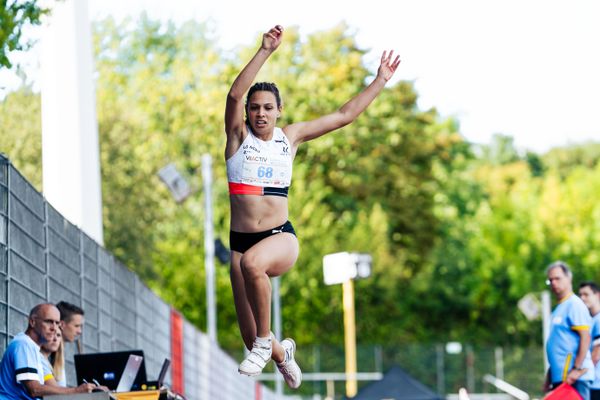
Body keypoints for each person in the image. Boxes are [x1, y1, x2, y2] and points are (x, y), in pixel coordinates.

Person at [224, 24, 400, 388]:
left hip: (278, 238)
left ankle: (263, 343)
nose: (260, 114)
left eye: (268, 108)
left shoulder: (290, 138)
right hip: (239, 243)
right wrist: (264, 51)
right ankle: (280, 352)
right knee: (251, 333)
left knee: (256, 270)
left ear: (279, 110)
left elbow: (343, 115)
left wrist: (379, 80)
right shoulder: (238, 138)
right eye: (254, 108)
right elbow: (233, 96)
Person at [0, 303, 95, 399]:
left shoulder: (33, 349)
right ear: (32, 322)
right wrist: (76, 391)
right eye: (49, 322)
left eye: (57, 323)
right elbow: (34, 390)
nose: (54, 328)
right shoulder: (24, 344)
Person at [544, 261, 594, 399]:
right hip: (560, 377)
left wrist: (576, 369)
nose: (553, 282)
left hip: (575, 378)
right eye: (550, 280)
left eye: (557, 278)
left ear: (568, 278)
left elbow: (585, 337)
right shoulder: (559, 308)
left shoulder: (574, 304)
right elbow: (558, 345)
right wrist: (549, 376)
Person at [579, 281, 600, 400]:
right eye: (580, 295)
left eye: (586, 294)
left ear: (597, 295)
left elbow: (597, 354)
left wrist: (579, 372)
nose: (582, 298)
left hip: (597, 384)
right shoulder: (590, 319)